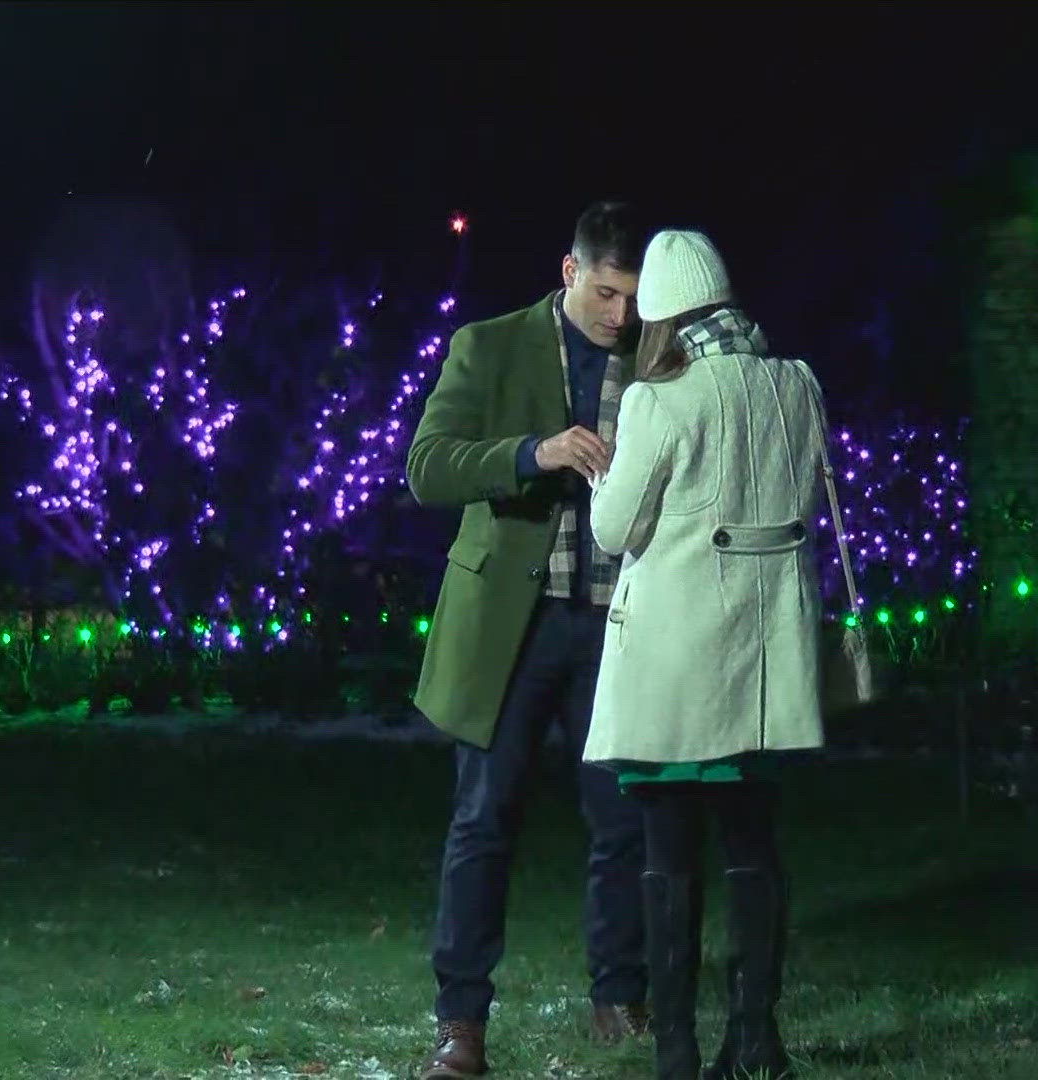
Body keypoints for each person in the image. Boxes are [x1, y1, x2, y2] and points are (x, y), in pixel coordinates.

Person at [405, 201, 655, 1079]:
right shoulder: (490, 343)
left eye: (632, 297)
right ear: (569, 272)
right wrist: (531, 453)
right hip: (513, 625)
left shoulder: (658, 353)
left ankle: (620, 999)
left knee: (622, 821)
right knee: (483, 820)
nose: (619, 315)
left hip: (617, 623)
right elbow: (426, 464)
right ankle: (460, 1025)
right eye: (606, 294)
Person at [583, 229, 827, 1079]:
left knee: (667, 857)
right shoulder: (796, 384)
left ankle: (679, 1049)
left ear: (659, 315)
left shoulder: (661, 398)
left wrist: (601, 480)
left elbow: (617, 530)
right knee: (755, 849)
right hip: (764, 660)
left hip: (678, 662)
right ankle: (756, 1038)